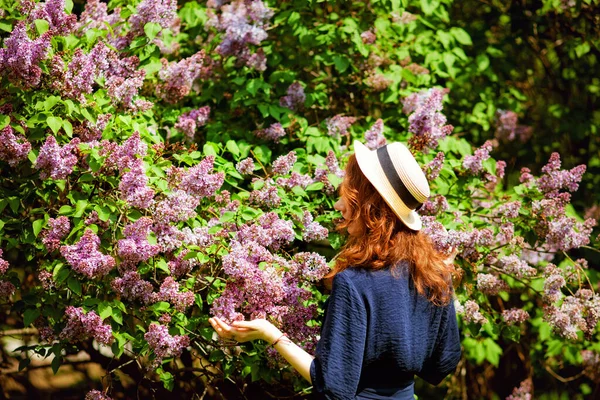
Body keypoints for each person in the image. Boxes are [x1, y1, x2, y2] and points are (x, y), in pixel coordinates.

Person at [209, 140, 461, 399]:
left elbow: (333, 385)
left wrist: (271, 334)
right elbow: (443, 364)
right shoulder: (435, 275)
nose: (338, 205)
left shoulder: (355, 282)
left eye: (349, 195)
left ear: (370, 207)